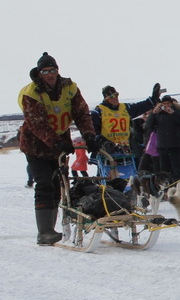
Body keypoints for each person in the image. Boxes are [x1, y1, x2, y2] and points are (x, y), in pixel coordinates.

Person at [18, 52, 99, 244]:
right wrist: (56, 142)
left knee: (57, 186)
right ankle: (44, 232)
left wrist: (89, 135)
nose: (50, 74)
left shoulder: (69, 88)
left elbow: (81, 113)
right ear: (39, 73)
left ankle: (53, 228)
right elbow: (37, 123)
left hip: (59, 147)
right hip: (35, 146)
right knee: (44, 184)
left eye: (53, 70)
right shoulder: (31, 93)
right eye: (45, 71)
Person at [91, 83, 162, 154]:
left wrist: (153, 98)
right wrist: (102, 141)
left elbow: (139, 107)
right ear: (106, 99)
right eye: (112, 96)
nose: (115, 98)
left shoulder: (125, 107)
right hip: (107, 150)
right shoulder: (99, 111)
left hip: (124, 148)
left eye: (116, 95)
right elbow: (93, 130)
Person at [144, 96, 180, 181]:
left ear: (171, 104)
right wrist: (153, 113)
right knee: (164, 169)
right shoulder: (158, 114)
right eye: (164, 104)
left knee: (177, 168)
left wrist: (173, 113)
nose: (166, 106)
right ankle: (167, 187)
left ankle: (177, 184)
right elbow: (149, 126)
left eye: (168, 104)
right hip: (162, 145)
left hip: (175, 145)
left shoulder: (178, 111)